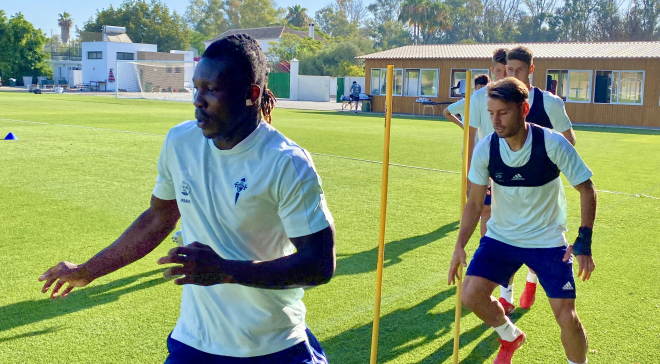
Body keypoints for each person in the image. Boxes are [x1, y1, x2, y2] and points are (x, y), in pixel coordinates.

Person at [39, 34, 336, 364]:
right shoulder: (180, 141)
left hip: (272, 346)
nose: (198, 99)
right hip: (194, 343)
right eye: (196, 87)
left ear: (251, 94)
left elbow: (319, 264)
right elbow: (159, 217)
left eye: (211, 90)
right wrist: (88, 270)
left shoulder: (286, 162)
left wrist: (224, 270)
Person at [448, 77, 596, 364]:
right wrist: (459, 245)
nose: (495, 120)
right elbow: (475, 202)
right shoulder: (486, 148)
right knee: (471, 296)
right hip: (501, 239)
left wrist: (584, 241)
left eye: (502, 112)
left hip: (547, 241)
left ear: (524, 109)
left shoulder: (552, 143)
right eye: (491, 113)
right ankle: (509, 334)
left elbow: (586, 189)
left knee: (567, 317)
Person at [497, 45, 578, 313]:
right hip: (507, 191)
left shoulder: (550, 103)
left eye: (520, 69)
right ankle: (506, 296)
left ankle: (531, 280)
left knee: (535, 244)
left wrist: (543, 161)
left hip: (542, 192)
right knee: (504, 243)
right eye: (510, 69)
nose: (514, 74)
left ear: (531, 69)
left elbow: (570, 141)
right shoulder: (500, 102)